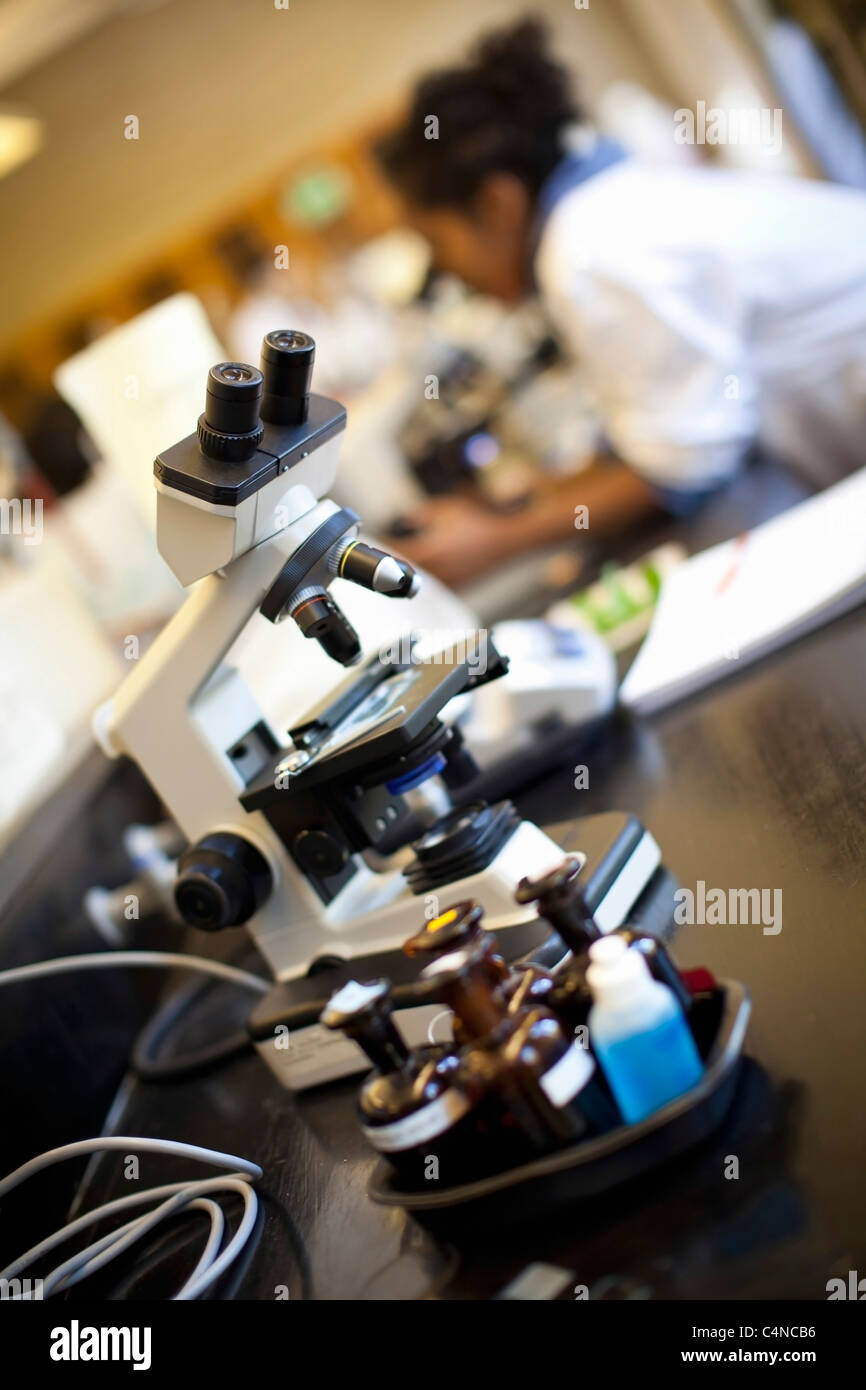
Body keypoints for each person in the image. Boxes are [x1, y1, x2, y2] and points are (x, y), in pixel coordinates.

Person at [377, 19, 866, 587]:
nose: (448, 272)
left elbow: (687, 465)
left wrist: (494, 541)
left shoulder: (587, 252)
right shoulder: (605, 213)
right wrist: (536, 496)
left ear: (497, 204)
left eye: (438, 243)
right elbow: (658, 425)